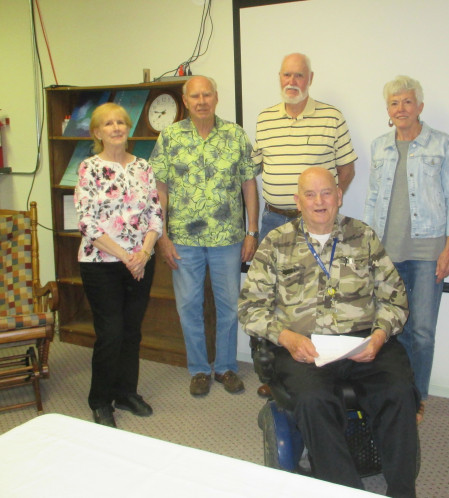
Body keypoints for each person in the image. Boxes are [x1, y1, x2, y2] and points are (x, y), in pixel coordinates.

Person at [239, 167, 419, 498]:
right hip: (302, 345)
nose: (319, 201)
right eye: (310, 194)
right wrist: (287, 338)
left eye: (326, 193)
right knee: (313, 399)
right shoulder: (276, 243)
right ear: (297, 201)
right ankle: (345, 490)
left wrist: (379, 336)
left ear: (338, 196)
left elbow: (395, 300)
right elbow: (250, 308)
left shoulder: (363, 236)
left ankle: (402, 490)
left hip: (364, 340)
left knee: (398, 389)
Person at [251, 52, 358, 397]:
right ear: (278, 78)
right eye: (286, 75)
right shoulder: (265, 119)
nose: (291, 82)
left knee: (314, 302)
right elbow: (255, 167)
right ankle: (275, 375)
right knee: (273, 301)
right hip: (273, 220)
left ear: (310, 79)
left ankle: (315, 372)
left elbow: (347, 168)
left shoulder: (331, 117)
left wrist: (327, 203)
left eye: (299, 76)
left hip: (315, 224)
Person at [149, 75, 260, 397]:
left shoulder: (235, 135)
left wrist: (252, 231)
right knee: (188, 306)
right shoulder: (169, 137)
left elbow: (249, 184)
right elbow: (159, 189)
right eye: (195, 96)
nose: (201, 101)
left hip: (228, 238)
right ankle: (198, 369)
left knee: (228, 306)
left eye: (207, 94)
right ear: (185, 101)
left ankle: (225, 367)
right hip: (182, 239)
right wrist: (162, 236)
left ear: (216, 97)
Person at [364, 75, 449, 423]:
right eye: (394, 103)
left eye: (407, 102)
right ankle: (401, 394)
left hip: (427, 252)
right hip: (388, 252)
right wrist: (368, 249)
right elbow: (373, 197)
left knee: (422, 331)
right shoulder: (379, 146)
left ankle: (418, 397)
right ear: (388, 110)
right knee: (397, 329)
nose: (401, 108)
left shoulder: (442, 144)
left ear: (420, 106)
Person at [75, 102, 163, 427]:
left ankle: (126, 392)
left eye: (121, 122)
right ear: (97, 132)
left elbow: (155, 214)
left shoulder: (143, 166)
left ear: (128, 128)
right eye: (108, 124)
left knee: (131, 332)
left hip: (141, 261)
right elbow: (87, 223)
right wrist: (128, 257)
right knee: (110, 333)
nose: (116, 128)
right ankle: (100, 400)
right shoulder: (88, 168)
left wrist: (144, 252)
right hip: (101, 263)